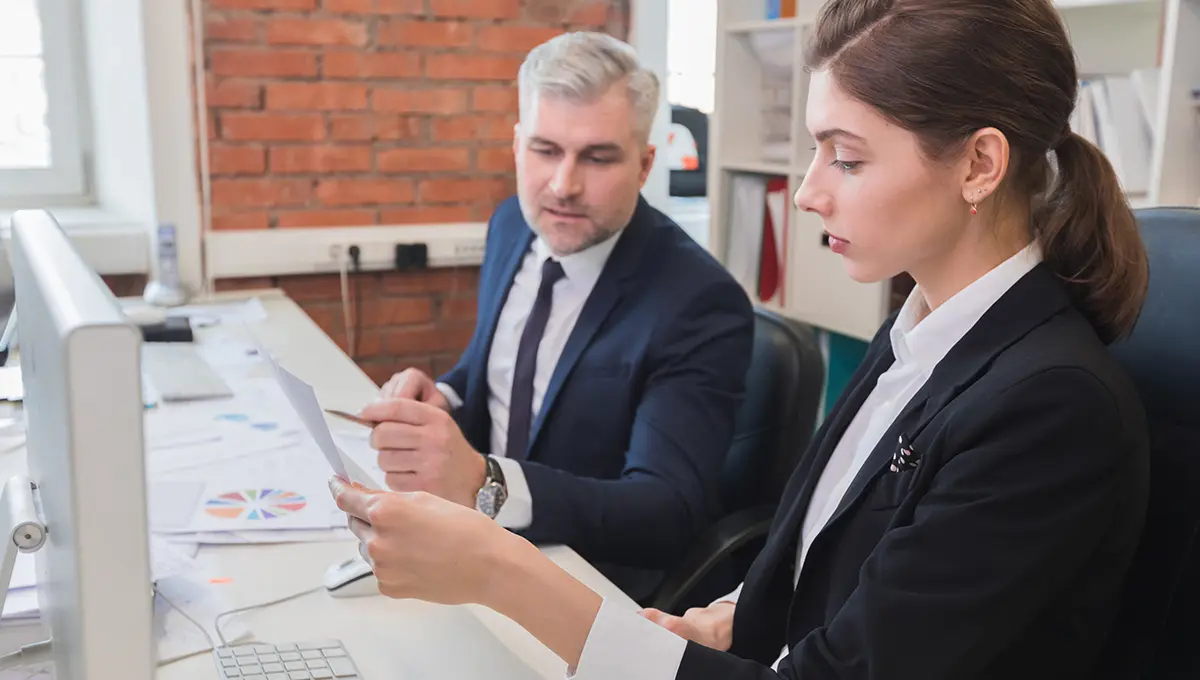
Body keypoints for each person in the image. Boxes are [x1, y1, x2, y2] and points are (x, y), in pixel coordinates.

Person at [330, 0, 1152, 677]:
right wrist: (737, 618)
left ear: (978, 166)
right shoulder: (921, 328)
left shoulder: (1050, 407)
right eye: (813, 152)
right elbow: (843, 571)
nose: (806, 193)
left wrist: (497, 568)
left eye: (848, 159)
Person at [358, 31, 755, 599]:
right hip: (476, 542)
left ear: (644, 165)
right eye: (546, 150)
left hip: (585, 579)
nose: (564, 185)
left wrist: (484, 482)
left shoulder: (698, 302)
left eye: (597, 157)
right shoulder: (512, 225)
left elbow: (666, 513)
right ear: (517, 146)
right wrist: (444, 396)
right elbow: (490, 368)